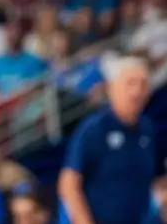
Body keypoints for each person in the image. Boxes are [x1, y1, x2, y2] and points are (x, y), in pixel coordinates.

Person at [58, 55, 156, 224]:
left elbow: (156, 181)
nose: (137, 91)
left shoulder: (147, 129)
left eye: (143, 84)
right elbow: (68, 183)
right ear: (112, 88)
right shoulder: (95, 129)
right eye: (130, 83)